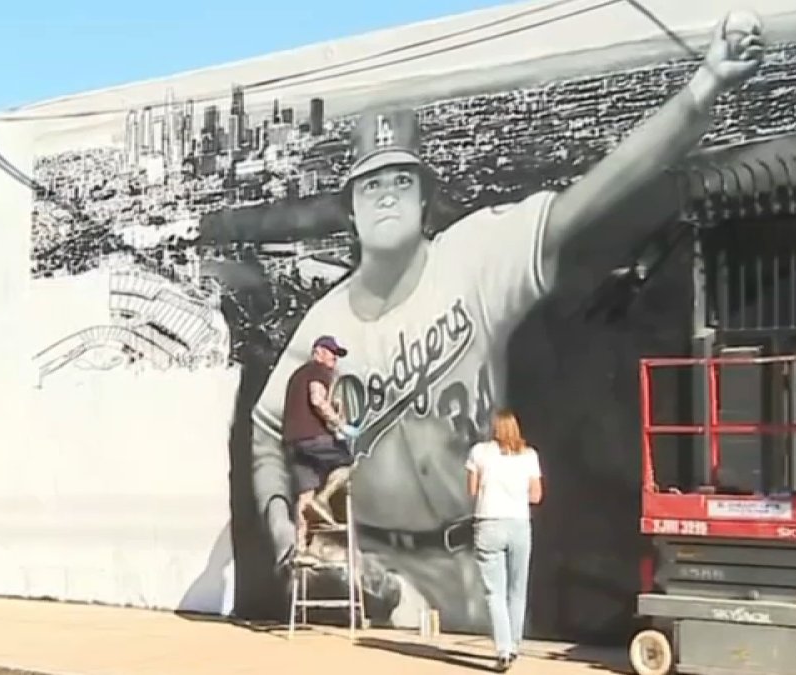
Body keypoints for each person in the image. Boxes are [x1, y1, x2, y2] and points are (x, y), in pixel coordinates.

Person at [252, 12, 766, 629]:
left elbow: (589, 201)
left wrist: (701, 91)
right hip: (374, 567)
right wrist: (285, 532)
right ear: (351, 210)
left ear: (425, 197)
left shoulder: (475, 253)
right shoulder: (322, 322)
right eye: (369, 186)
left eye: (400, 179)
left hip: (478, 554)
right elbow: (266, 435)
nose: (386, 195)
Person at [466, 409, 543, 671]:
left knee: (494, 592)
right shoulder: (529, 455)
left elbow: (472, 490)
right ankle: (515, 643)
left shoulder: (479, 452)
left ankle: (503, 649)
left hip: (488, 523)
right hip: (519, 524)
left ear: (494, 429)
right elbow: (536, 496)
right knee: (517, 590)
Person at [279, 335, 360, 566]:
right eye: (330, 352)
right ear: (318, 352)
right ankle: (323, 500)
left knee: (305, 493)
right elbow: (316, 400)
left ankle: (301, 550)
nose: (334, 358)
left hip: (292, 443)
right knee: (348, 462)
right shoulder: (318, 370)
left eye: (336, 354)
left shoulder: (297, 375)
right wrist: (339, 424)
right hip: (312, 438)